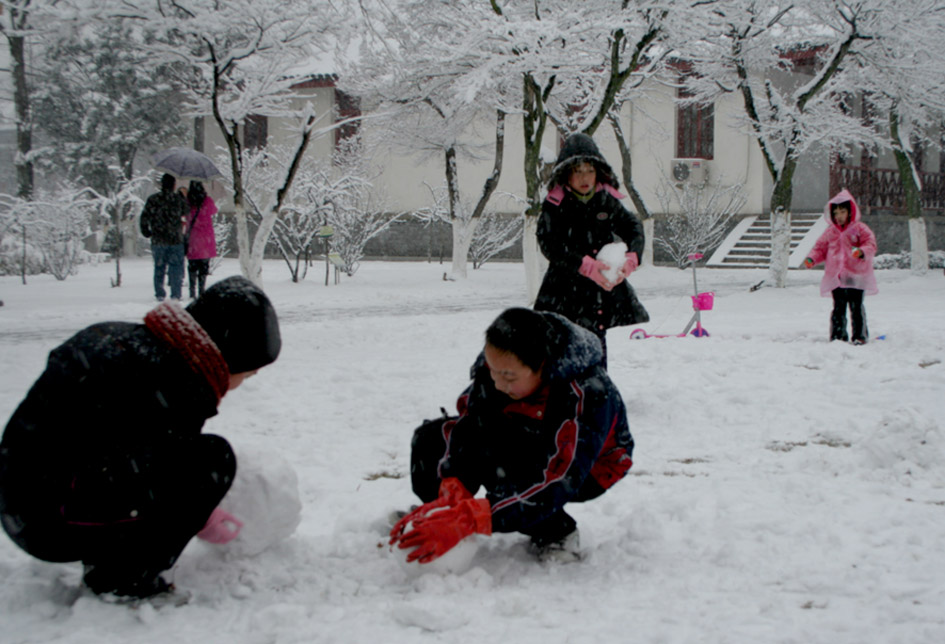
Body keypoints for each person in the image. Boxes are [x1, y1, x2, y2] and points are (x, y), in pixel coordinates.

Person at [0, 276, 282, 599]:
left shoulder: (123, 339)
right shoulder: (175, 383)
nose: (243, 382)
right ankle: (122, 578)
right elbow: (166, 469)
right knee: (212, 461)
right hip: (47, 523)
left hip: (17, 498)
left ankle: (108, 552)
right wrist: (194, 511)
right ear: (226, 357)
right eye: (246, 374)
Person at [390, 307, 634, 565]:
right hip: (524, 434)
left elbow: (562, 475)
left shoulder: (587, 392)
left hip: (589, 467)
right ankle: (442, 514)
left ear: (541, 365)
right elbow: (472, 426)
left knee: (510, 469)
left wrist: (475, 517)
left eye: (508, 377)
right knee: (433, 439)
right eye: (492, 370)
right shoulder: (496, 368)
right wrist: (454, 484)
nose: (496, 383)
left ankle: (556, 531)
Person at [534, 133, 649, 368]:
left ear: (598, 172)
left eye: (589, 170)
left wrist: (632, 256)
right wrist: (582, 264)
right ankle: (565, 397)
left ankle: (597, 394)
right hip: (563, 289)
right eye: (577, 170)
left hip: (598, 290)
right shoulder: (555, 204)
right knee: (563, 344)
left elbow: (632, 226)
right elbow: (549, 243)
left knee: (596, 341)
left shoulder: (606, 200)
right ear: (567, 173)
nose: (584, 177)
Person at [802, 189, 878, 344]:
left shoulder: (860, 229)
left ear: (850, 212)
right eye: (836, 213)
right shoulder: (831, 232)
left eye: (842, 212)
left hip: (856, 276)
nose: (839, 216)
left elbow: (870, 244)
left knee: (856, 307)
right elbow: (820, 248)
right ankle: (838, 336)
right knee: (838, 308)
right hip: (836, 277)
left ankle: (859, 336)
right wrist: (812, 258)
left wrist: (861, 252)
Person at [140, 173, 189, 301]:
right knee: (176, 267)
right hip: (175, 239)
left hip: (158, 239)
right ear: (174, 185)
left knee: (159, 267)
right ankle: (176, 294)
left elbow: (144, 217)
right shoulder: (177, 200)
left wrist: (147, 231)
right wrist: (183, 198)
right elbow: (186, 212)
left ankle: (160, 293)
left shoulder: (153, 199)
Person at [183, 180, 218, 299]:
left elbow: (184, 214)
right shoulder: (207, 201)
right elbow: (214, 211)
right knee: (204, 266)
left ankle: (192, 290)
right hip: (205, 238)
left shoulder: (187, 202)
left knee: (192, 266)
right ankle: (201, 289)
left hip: (193, 237)